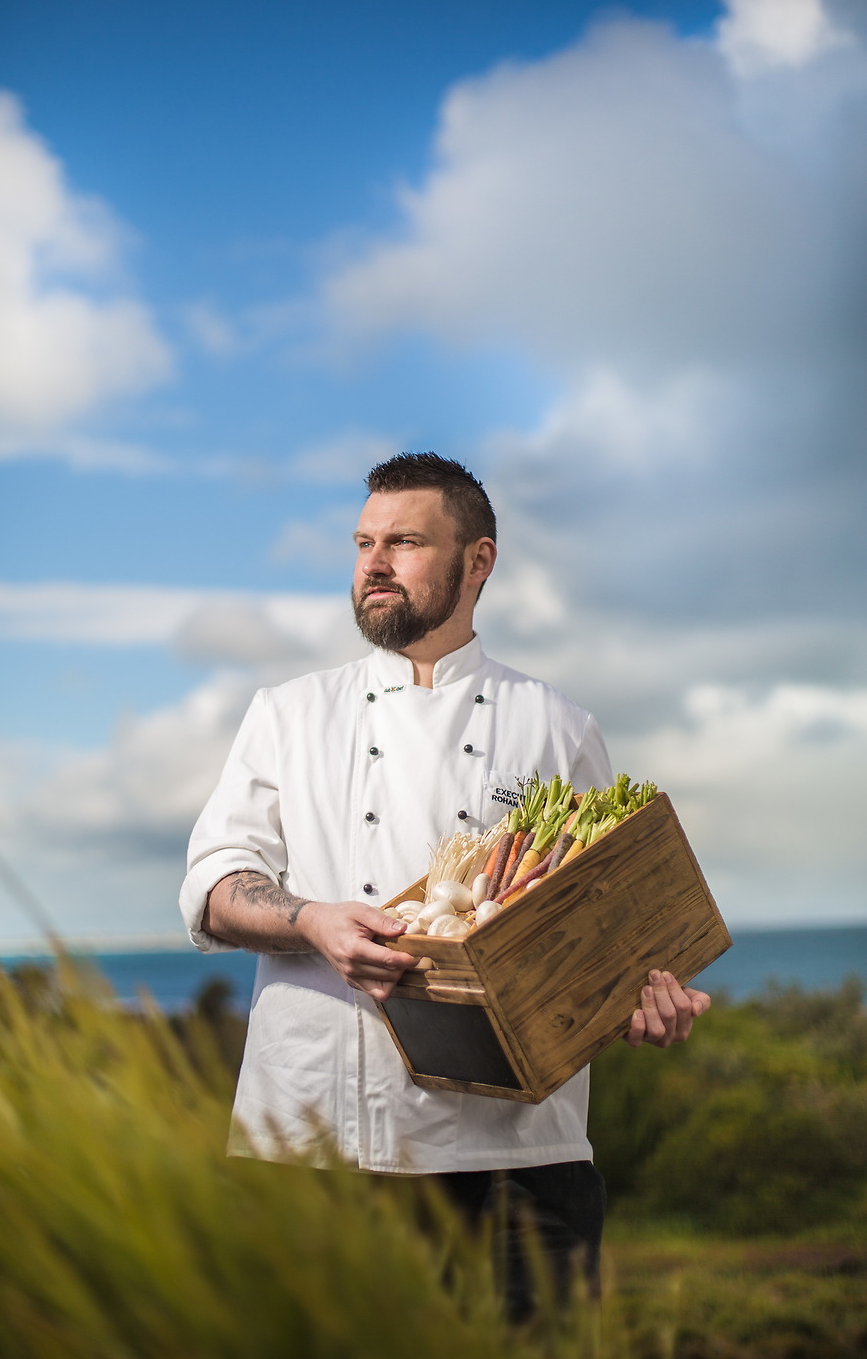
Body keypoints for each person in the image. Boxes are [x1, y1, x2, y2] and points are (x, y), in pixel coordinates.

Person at [179, 452, 709, 1311]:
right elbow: (213, 885)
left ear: (478, 561)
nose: (374, 563)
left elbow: (595, 935)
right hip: (316, 1149)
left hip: (521, 1164)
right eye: (363, 543)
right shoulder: (288, 713)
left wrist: (639, 999)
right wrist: (313, 921)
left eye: (405, 542)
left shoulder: (559, 726)